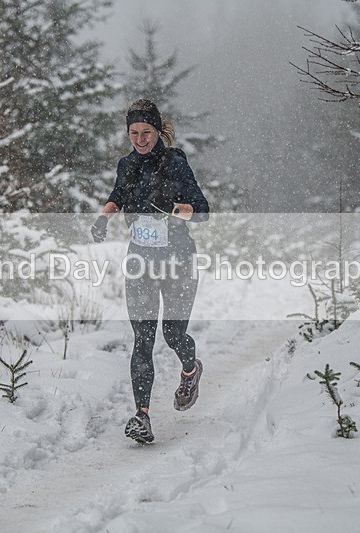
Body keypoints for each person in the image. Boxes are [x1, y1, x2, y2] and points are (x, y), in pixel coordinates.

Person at [91, 99, 210, 444]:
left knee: (173, 335)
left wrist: (175, 208)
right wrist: (105, 216)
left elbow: (202, 211)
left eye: (146, 132)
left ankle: (190, 370)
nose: (140, 139)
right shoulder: (127, 164)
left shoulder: (175, 162)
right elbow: (117, 194)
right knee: (143, 339)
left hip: (178, 261)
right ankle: (141, 417)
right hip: (140, 261)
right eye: (134, 133)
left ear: (158, 131)